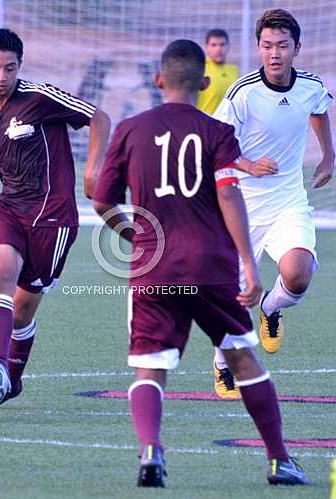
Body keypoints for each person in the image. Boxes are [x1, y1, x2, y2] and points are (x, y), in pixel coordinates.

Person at [93, 39, 307, 488]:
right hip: (211, 267)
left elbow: (101, 199)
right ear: (204, 82)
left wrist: (134, 235)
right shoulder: (216, 132)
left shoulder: (131, 130)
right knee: (243, 360)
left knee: (150, 368)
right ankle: (279, 460)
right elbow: (228, 194)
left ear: (158, 81)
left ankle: (151, 449)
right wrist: (249, 263)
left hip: (155, 269)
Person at [0, 28, 110, 404]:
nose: (2, 77)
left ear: (20, 67)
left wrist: (93, 170)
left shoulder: (41, 98)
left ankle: (12, 378)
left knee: (21, 311)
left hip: (53, 218)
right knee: (0, 275)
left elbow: (98, 118)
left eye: (10, 69)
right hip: (10, 210)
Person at [211, 8, 336, 400]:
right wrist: (247, 164)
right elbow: (216, 144)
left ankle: (271, 308)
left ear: (297, 48)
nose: (274, 53)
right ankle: (222, 365)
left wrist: (328, 155)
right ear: (258, 48)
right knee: (233, 297)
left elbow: (319, 111)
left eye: (282, 45)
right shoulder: (242, 94)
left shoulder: (310, 86)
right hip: (240, 205)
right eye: (267, 46)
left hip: (287, 201)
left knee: (298, 273)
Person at [196, 28, 239, 115]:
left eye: (222, 45)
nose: (218, 49)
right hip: (205, 125)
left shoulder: (234, 71)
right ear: (206, 47)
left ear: (228, 46)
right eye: (213, 45)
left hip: (227, 125)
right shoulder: (199, 69)